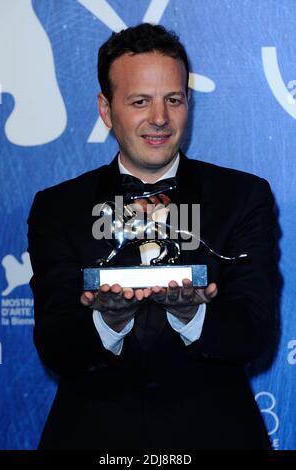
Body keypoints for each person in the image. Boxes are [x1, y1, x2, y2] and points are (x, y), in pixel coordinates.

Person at [28, 23, 277, 449]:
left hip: (216, 436)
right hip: (95, 437)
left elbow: (253, 333)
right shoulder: (59, 208)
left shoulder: (243, 197)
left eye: (173, 100)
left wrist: (191, 315)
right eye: (140, 101)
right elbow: (56, 345)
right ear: (106, 110)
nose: (159, 118)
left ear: (188, 104)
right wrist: (108, 320)